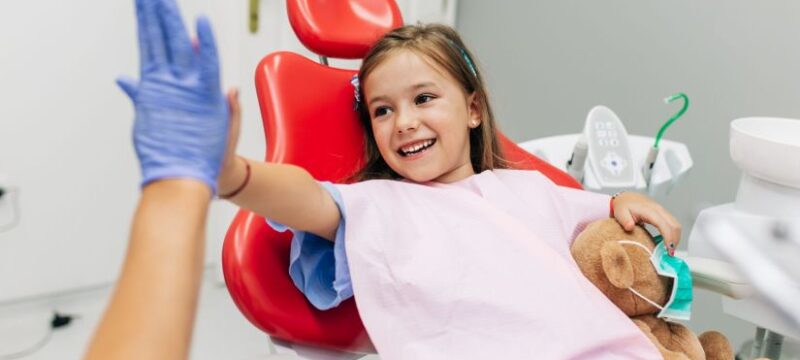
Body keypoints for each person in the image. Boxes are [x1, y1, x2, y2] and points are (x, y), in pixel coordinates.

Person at [89, 0, 682, 358]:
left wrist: (624, 198)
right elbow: (307, 198)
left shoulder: (531, 189)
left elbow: (600, 214)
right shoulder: (382, 206)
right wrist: (230, 173)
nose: (404, 123)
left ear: (474, 108)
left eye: (425, 98)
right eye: (382, 110)